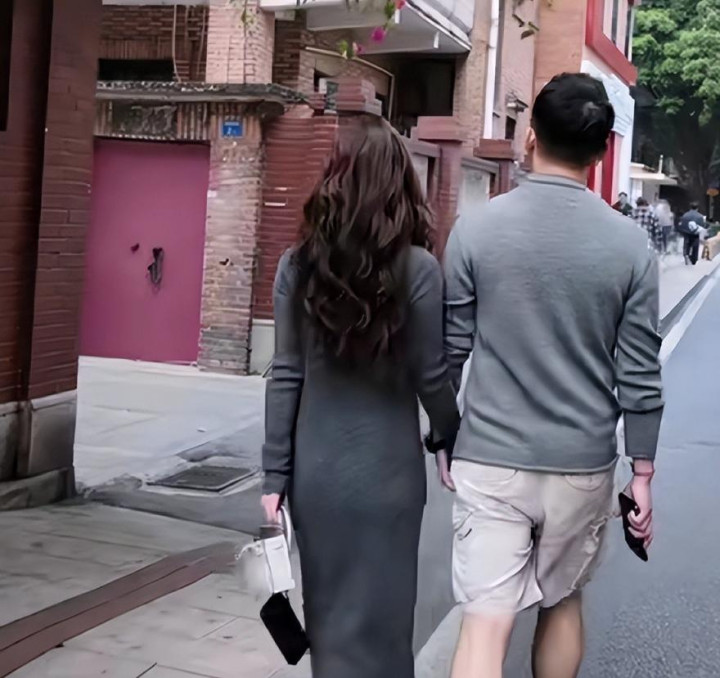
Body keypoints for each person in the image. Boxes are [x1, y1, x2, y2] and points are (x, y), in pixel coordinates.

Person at [440, 73, 663, 678]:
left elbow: (449, 350)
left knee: (484, 624)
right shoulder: (630, 246)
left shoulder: (477, 228)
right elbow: (639, 371)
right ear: (601, 153)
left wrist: (442, 434)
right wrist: (642, 472)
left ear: (530, 137)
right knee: (562, 602)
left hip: (491, 455)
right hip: (581, 464)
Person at [261, 114, 460, 678]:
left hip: (317, 477)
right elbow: (432, 375)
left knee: (328, 627)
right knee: (387, 629)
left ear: (334, 179)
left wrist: (274, 477)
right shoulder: (419, 270)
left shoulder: (297, 267)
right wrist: (448, 435)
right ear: (399, 183)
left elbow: (286, 374)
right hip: (389, 479)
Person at [678, 201, 706, 265]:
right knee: (695, 246)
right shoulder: (700, 216)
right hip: (695, 234)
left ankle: (686, 254)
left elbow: (682, 225)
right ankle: (694, 259)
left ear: (690, 207)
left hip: (687, 233)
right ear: (697, 208)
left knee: (686, 244)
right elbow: (702, 225)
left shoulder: (685, 215)